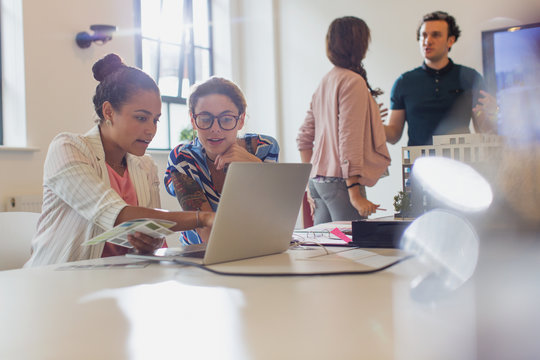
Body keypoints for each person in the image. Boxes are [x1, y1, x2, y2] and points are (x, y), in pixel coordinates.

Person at [25, 54, 214, 267]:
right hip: (57, 279)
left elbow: (153, 230)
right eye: (141, 118)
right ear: (108, 112)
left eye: (155, 120)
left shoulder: (145, 165)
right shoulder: (67, 148)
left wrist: (149, 243)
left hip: (118, 279)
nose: (151, 130)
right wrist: (203, 218)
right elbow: (115, 213)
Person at [296, 16, 391, 224]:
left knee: (327, 251)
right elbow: (349, 139)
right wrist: (355, 194)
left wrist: (309, 180)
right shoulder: (353, 82)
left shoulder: (325, 81)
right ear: (361, 45)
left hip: (318, 182)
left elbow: (303, 138)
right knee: (353, 251)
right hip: (341, 183)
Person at [164, 77, 279, 244]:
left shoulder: (264, 148)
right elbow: (209, 234)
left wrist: (256, 167)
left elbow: (275, 213)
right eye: (205, 118)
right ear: (193, 120)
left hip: (258, 248)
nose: (215, 129)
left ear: (240, 120)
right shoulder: (182, 159)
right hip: (201, 256)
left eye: (226, 119)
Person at [385, 11, 498, 146]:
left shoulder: (471, 77)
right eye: (423, 35)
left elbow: (484, 131)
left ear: (450, 40)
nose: (427, 41)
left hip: (461, 163)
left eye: (436, 35)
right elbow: (393, 135)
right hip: (420, 164)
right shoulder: (403, 82)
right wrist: (371, 121)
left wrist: (493, 114)